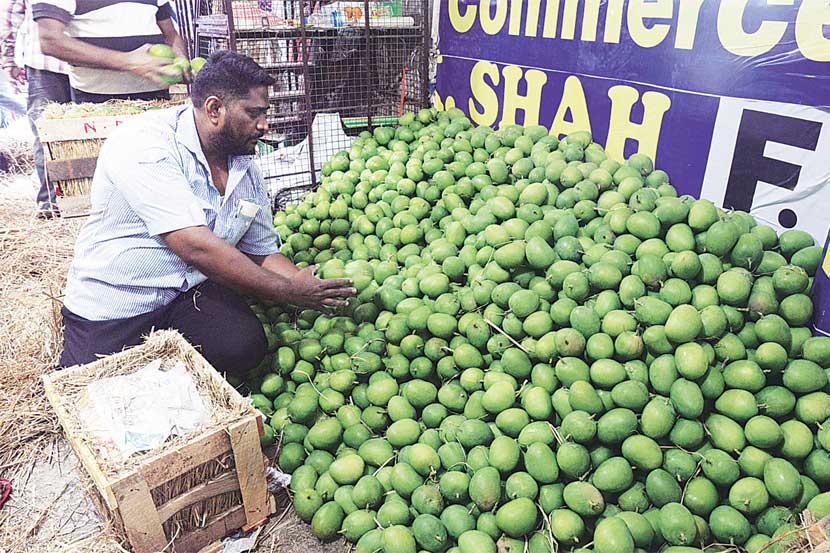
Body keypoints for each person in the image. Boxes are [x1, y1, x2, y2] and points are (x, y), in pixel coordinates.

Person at [59, 51, 356, 376]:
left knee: (244, 347)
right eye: (253, 113)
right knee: (94, 387)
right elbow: (194, 245)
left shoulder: (245, 166)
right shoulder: (145, 144)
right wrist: (288, 292)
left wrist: (305, 284)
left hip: (188, 292)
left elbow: (261, 252)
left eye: (265, 112)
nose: (264, 124)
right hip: (123, 298)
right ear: (215, 109)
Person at [32, 0, 189, 103]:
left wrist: (181, 58)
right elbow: (50, 40)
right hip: (97, 102)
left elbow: (171, 35)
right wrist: (129, 62)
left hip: (155, 99)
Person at [2, 0, 71, 218]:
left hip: (61, 64)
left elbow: (11, 12)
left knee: (49, 135)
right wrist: (8, 58)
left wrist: (9, 60)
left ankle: (53, 204)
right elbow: (11, 12)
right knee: (47, 135)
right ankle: (51, 203)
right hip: (50, 64)